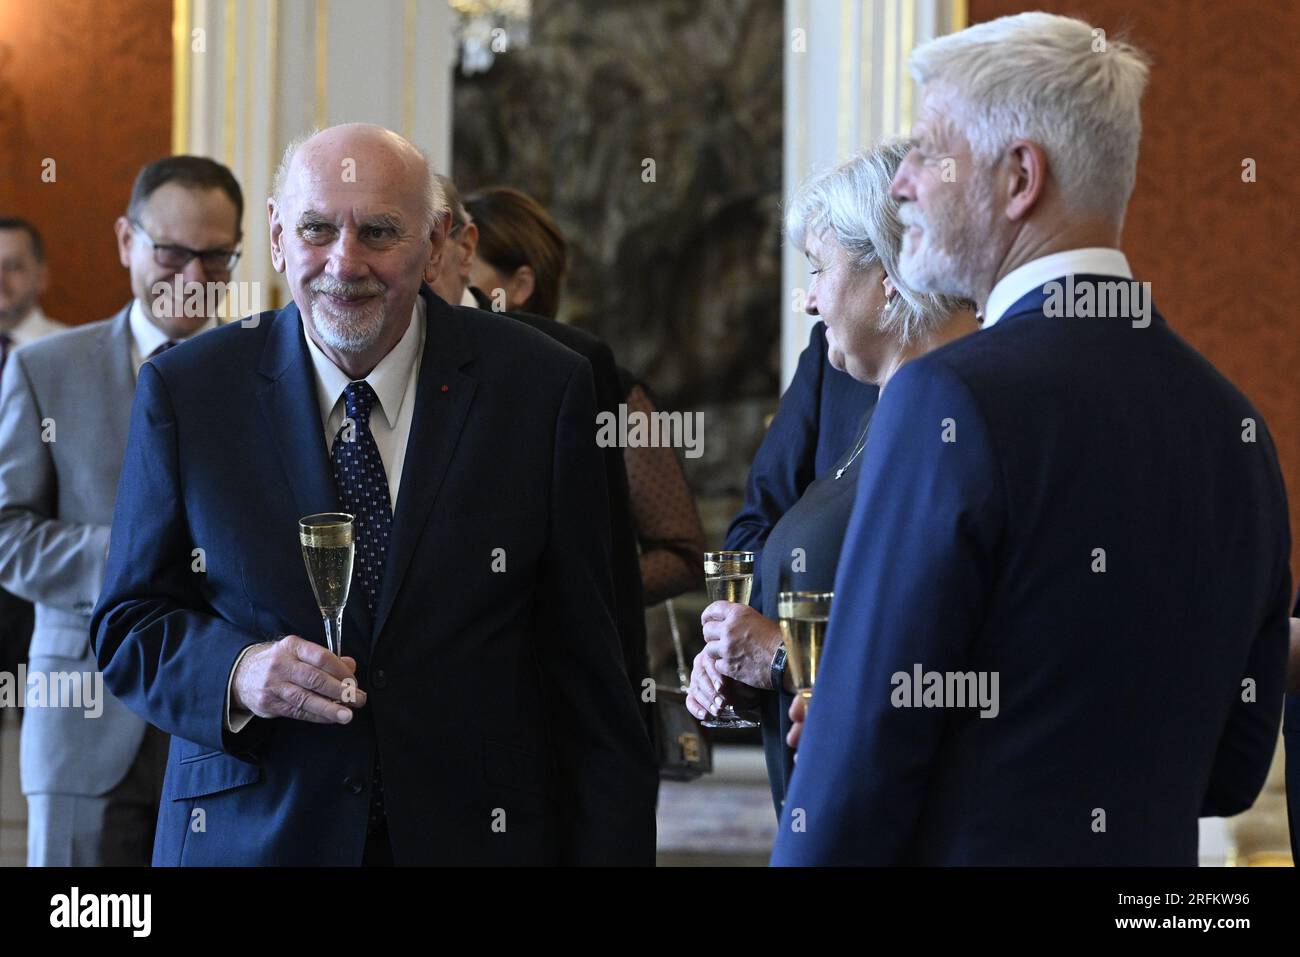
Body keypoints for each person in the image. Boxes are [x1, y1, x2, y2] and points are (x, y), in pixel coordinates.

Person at [771, 12, 1291, 866]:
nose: (900, 183)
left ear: (1020, 177)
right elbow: (1232, 769)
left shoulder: (948, 399)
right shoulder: (1235, 426)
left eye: (928, 153)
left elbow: (849, 789)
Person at [91, 124, 658, 866]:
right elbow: (129, 623)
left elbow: (594, 668)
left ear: (436, 240)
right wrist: (239, 671)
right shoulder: (190, 390)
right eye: (317, 228)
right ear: (275, 236)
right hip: (255, 836)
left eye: (379, 232)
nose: (343, 262)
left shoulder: (541, 388)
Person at [685, 142, 976, 812]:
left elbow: (938, 647)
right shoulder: (882, 400)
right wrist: (741, 654)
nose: (809, 300)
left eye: (819, 269)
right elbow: (763, 523)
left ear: (889, 274)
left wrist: (782, 656)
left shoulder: (958, 423)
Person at [0, 157, 238, 865]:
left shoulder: (268, 373)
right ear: (126, 241)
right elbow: (7, 533)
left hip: (226, 720)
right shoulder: (46, 369)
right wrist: (132, 558)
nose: (194, 279)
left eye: (217, 257)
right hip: (83, 716)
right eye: (172, 253)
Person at [431, 174, 652, 734]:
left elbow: (605, 577)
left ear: (463, 246)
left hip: (525, 718)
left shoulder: (566, 365)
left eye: (430, 240)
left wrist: (624, 733)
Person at [465, 185, 706, 606]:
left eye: (466, 280)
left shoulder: (608, 387)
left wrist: (565, 599)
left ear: (519, 286)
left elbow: (682, 553)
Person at [0, 217, 67, 830]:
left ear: (42, 274)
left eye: (14, 265)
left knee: (36, 730)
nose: (1, 279)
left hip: (40, 579)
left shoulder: (68, 358)